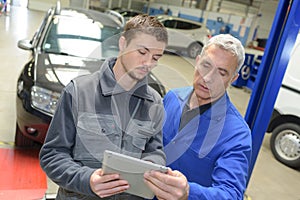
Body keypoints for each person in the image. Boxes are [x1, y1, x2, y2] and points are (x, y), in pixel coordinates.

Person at [39, 14, 168, 200]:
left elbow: (154, 150)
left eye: (156, 57)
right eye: (142, 52)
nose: (148, 63)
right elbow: (53, 155)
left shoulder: (154, 102)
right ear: (123, 44)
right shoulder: (78, 92)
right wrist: (87, 180)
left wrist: (150, 167)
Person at [144, 34, 252, 199]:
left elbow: (231, 194)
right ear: (197, 60)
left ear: (233, 78)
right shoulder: (172, 98)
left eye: (222, 72)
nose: (208, 78)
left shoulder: (236, 134)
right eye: (206, 65)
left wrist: (189, 192)